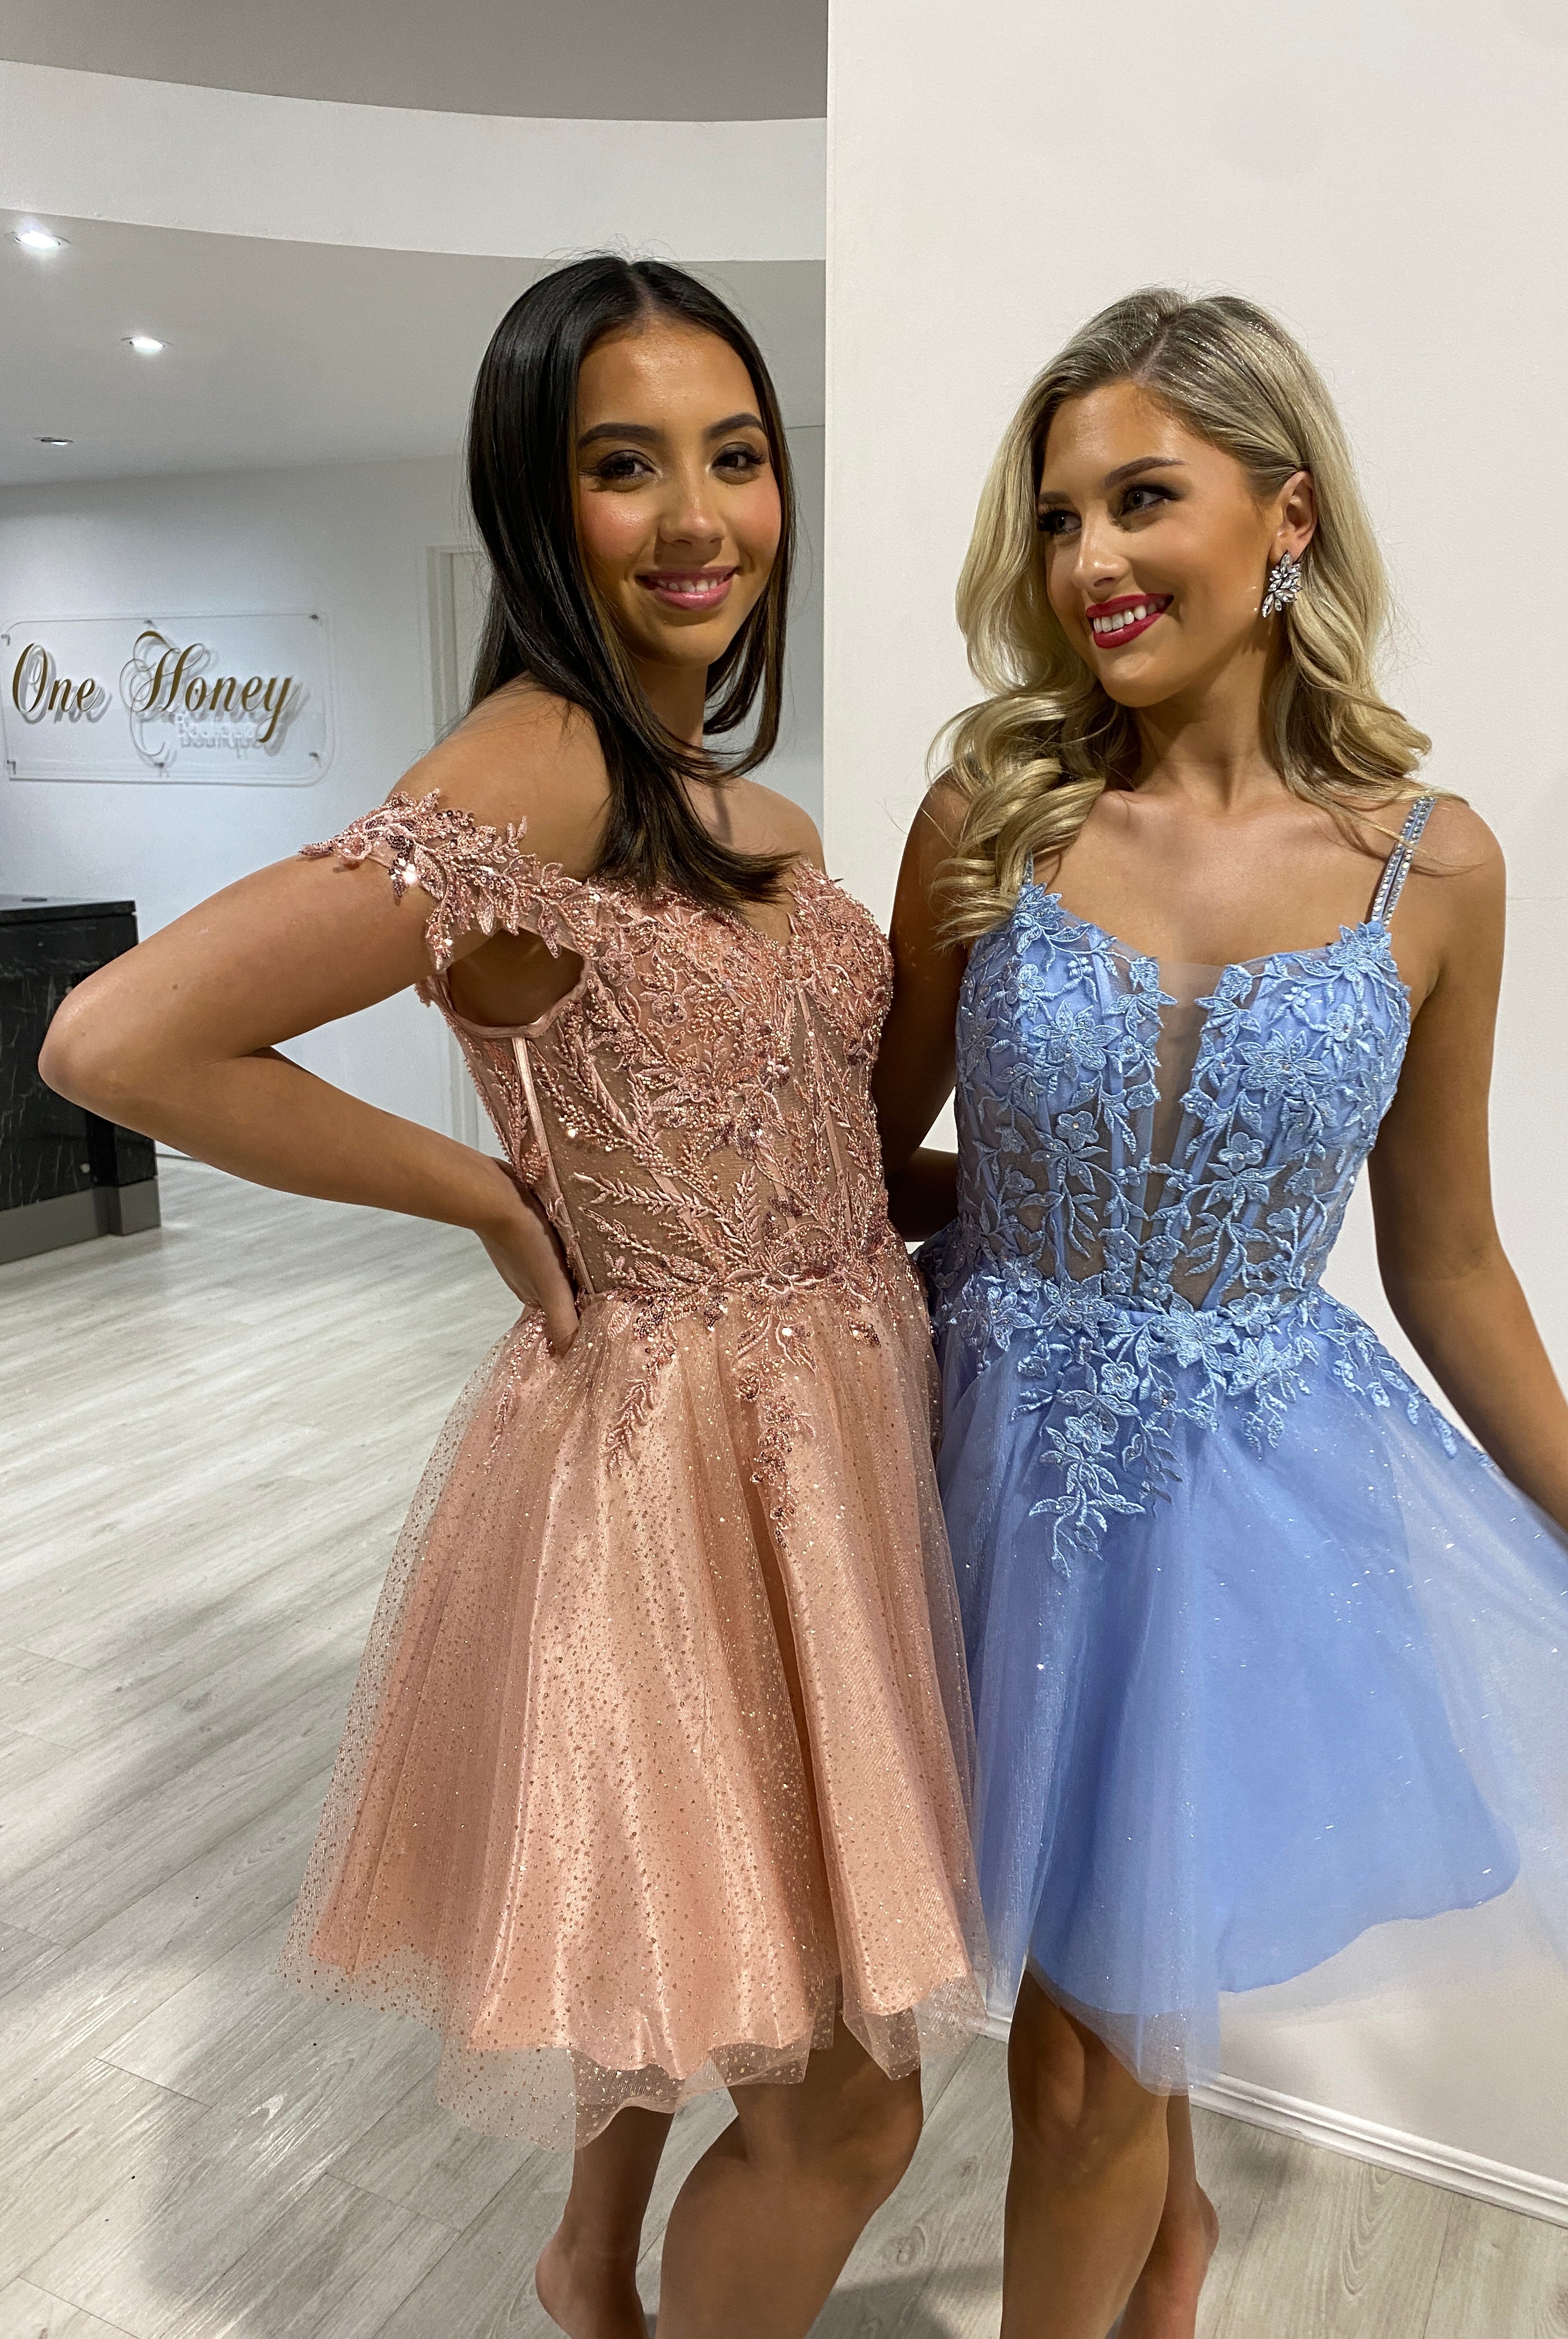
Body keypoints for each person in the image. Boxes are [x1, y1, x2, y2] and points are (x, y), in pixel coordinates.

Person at [42, 255, 984, 2339]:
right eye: (622, 467)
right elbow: (118, 1043)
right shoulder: (536, 765)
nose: (700, 518)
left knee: (692, 1905)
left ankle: (587, 2261)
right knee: (849, 2108)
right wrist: (480, 1191)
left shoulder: (745, 811)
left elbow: (783, 1132)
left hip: (827, 1422)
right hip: (690, 1452)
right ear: (533, 508)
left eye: (736, 456)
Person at [873, 287, 1568, 2339]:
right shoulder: (988, 821)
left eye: (1145, 500)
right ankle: (1167, 2267)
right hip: (980, 1480)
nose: (1091, 559)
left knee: (1091, 2053)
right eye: (1062, 513)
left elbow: (1446, 1254)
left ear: (1286, 519)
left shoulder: (1430, 872)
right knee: (1086, 2040)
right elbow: (856, 1155)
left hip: (1243, 1531)